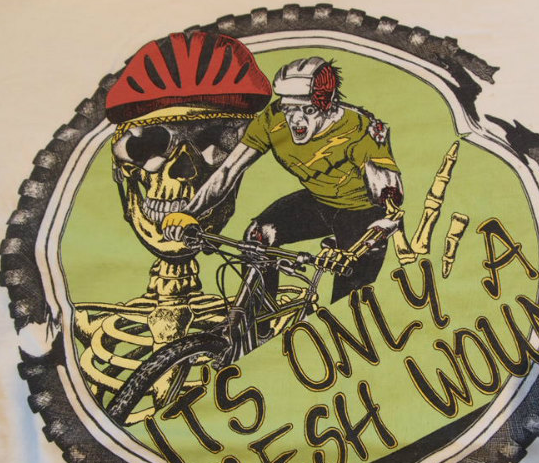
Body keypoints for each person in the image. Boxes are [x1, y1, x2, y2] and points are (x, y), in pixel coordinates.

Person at [163, 57, 404, 303]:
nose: (295, 120)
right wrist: (189, 213)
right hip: (318, 201)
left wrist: (371, 237)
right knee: (259, 236)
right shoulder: (272, 119)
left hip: (362, 211)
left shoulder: (361, 129)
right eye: (289, 108)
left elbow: (389, 200)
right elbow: (228, 171)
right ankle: (256, 316)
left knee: (349, 293)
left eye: (308, 110)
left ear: (328, 105)